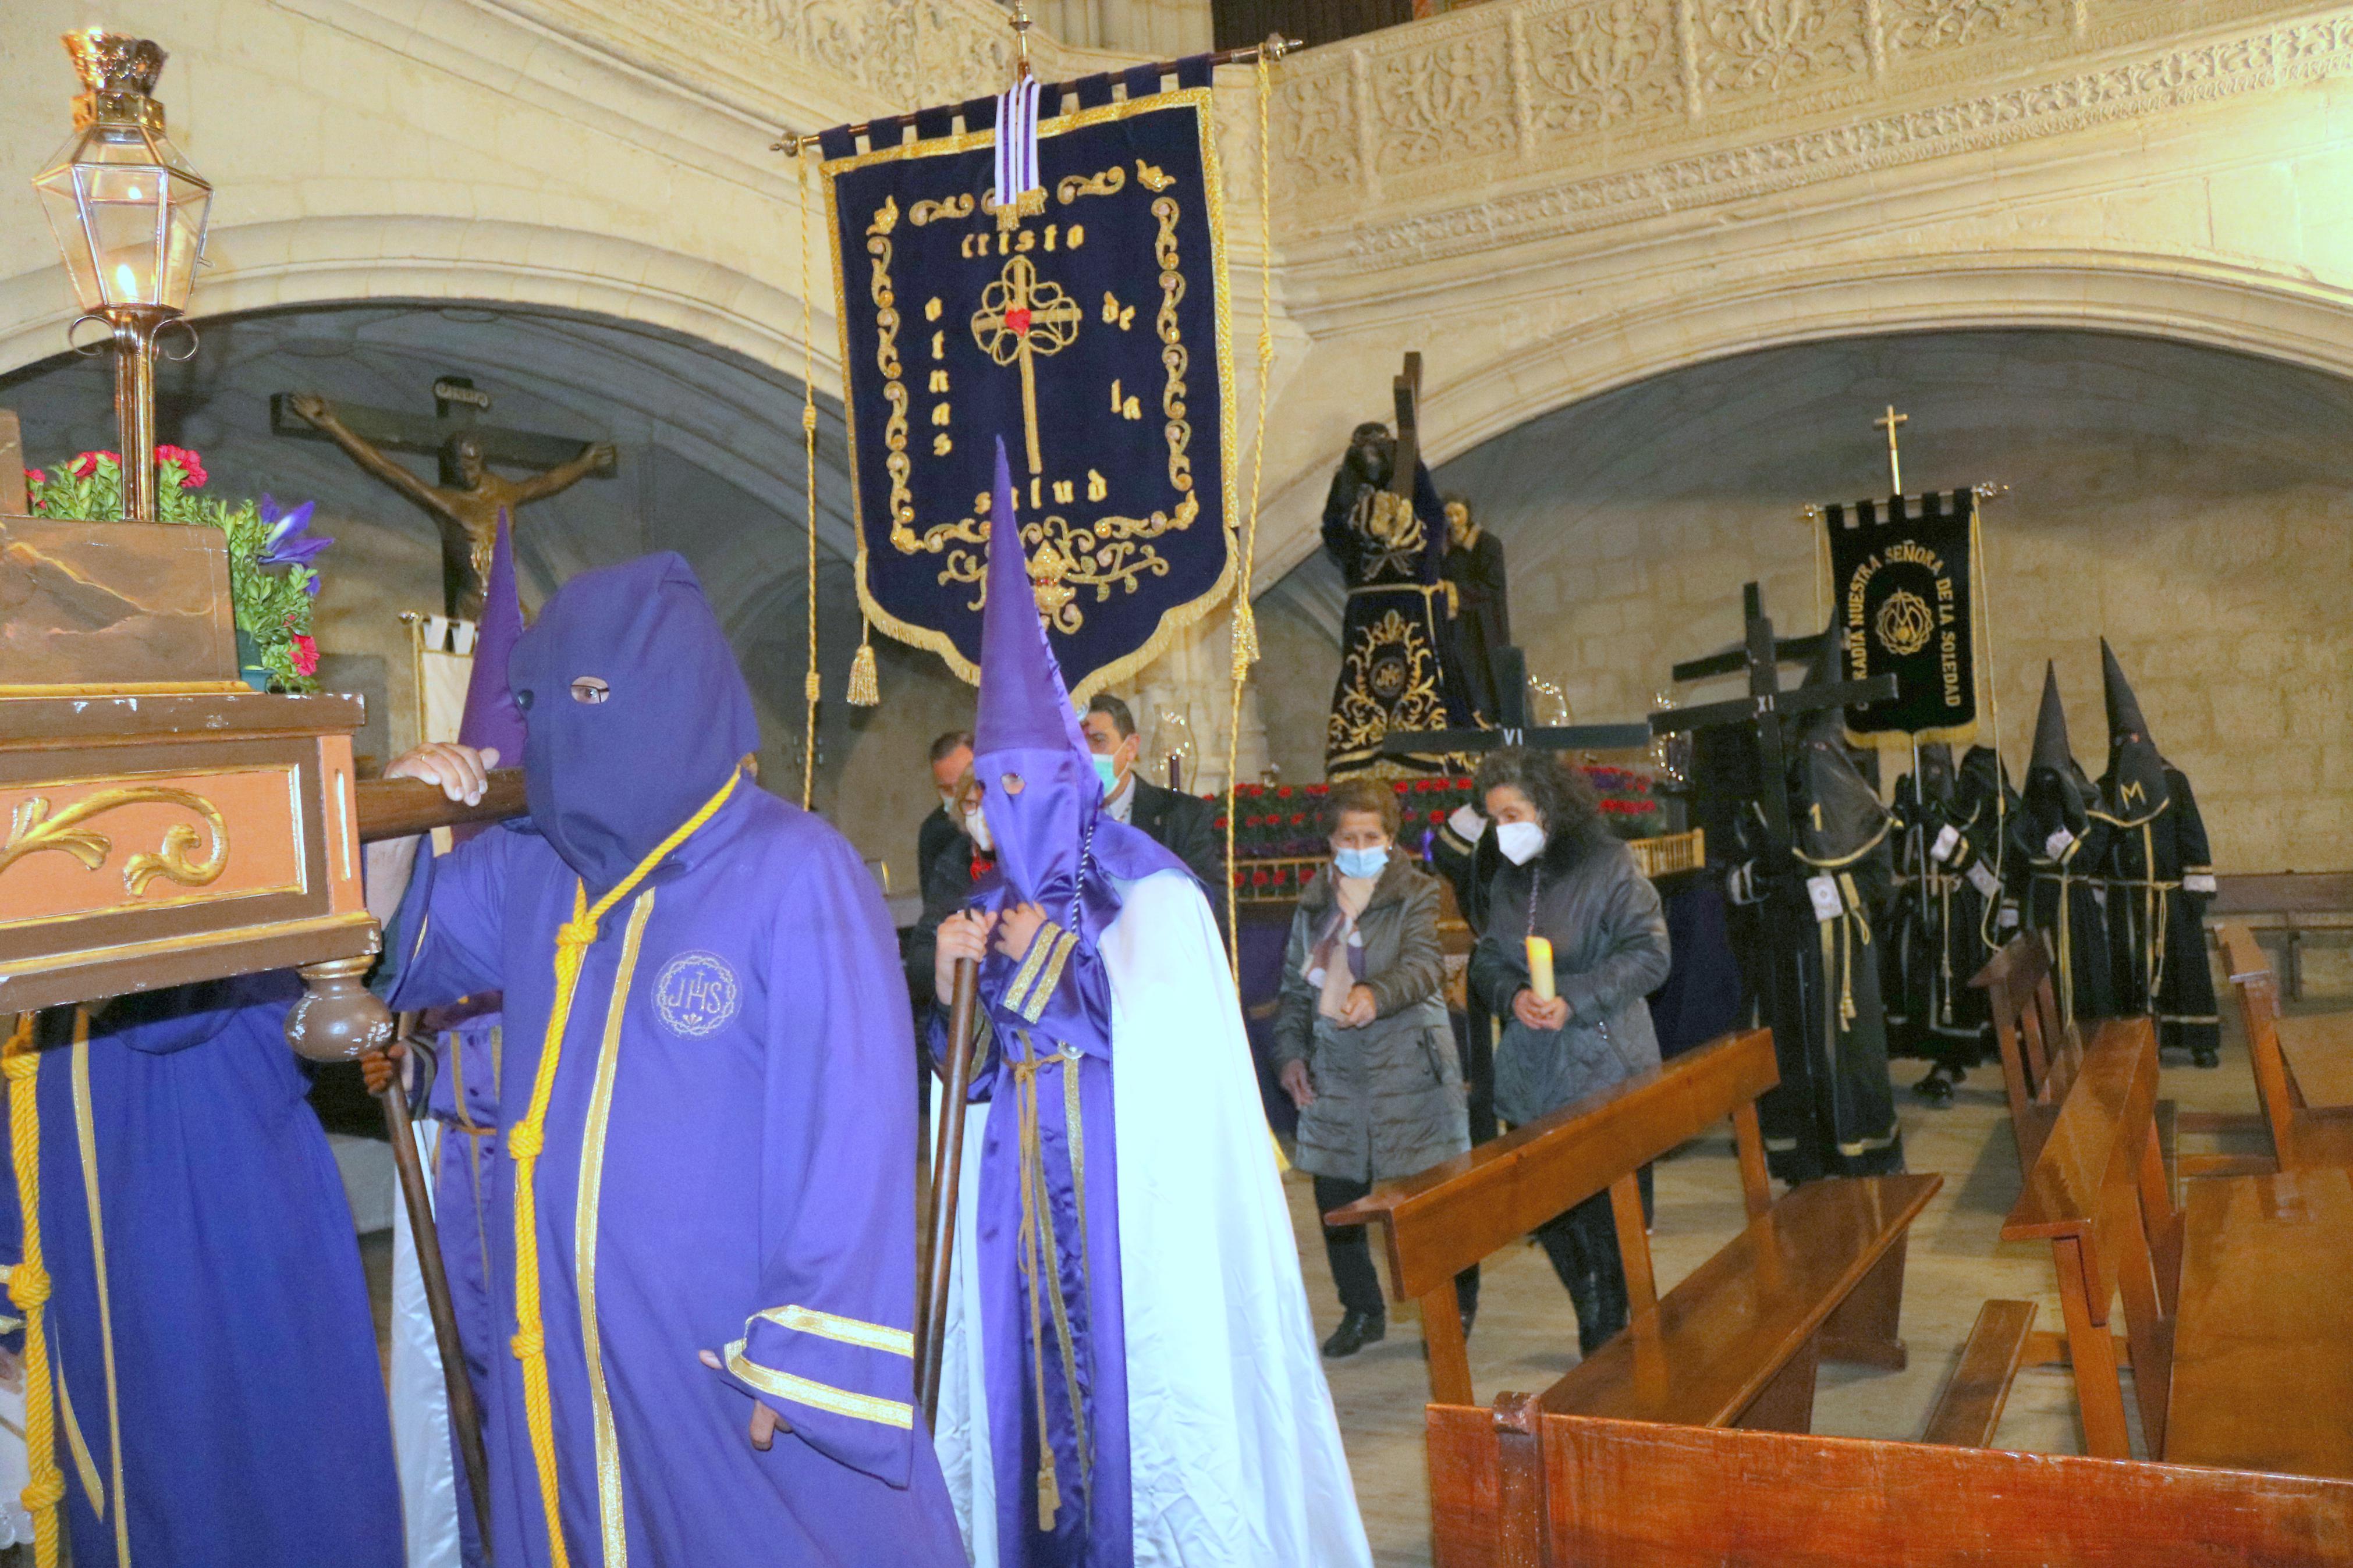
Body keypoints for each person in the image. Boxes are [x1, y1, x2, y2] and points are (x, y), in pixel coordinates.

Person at [375, 552, 964, 1568]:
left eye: (590, 695)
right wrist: (398, 810)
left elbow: (854, 1125)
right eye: (537, 702)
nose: (559, 728)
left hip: (720, 1358)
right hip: (565, 1348)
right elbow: (393, 956)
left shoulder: (792, 866)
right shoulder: (535, 869)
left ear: (676, 692)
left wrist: (806, 1352)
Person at [928, 441, 1371, 1567]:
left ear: (1070, 781)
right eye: (988, 790)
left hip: (1130, 1213)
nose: (1001, 810)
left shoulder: (1146, 886)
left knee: (1138, 1417)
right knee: (1026, 1417)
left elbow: (1171, 1050)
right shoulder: (988, 897)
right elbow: (967, 1080)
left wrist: (1044, 963)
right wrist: (951, 986)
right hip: (1014, 1210)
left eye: (1021, 785)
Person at [0, 980, 403, 1568]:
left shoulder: (225, 959)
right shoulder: (62, 987)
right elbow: (26, 1119)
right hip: (114, 1253)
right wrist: (9, 1293)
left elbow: (170, 1019)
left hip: (226, 1232)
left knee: (261, 1476)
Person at [1467, 747, 1670, 1357]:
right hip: (1533, 1070)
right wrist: (1513, 995)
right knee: (1548, 1210)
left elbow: (1650, 954)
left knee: (1608, 1215)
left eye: (1511, 815)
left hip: (1603, 1062)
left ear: (1548, 808)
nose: (1501, 831)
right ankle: (1591, 1302)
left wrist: (1572, 998)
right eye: (1493, 819)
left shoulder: (1608, 863)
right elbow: (1487, 958)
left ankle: (1608, 1328)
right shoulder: (1507, 875)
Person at [1271, 778, 1475, 1360]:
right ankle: (1362, 1309)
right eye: (1348, 837)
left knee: (1430, 1203)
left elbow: (1424, 965)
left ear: (1390, 839)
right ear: (1330, 842)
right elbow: (1294, 992)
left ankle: (1454, 1306)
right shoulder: (1313, 905)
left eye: (1370, 836)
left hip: (1408, 1067)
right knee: (1337, 1201)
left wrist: (1373, 994)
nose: (1359, 846)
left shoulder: (1417, 892)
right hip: (1336, 1071)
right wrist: (1289, 1057)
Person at [1320, 421, 1484, 777]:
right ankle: (1363, 751)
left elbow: (1434, 521)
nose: (1370, 452)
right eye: (1363, 445)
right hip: (1366, 602)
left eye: (1378, 445)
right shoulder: (1345, 481)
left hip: (1413, 600)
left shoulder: (1411, 472)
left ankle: (1426, 749)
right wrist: (1364, 527)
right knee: (1363, 673)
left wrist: (1406, 531)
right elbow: (1333, 530)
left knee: (1424, 665)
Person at [2092, 641, 2221, 1065]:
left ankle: (2199, 1040)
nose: (2129, 745)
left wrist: (2195, 890)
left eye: (2135, 738)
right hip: (2125, 902)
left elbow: (2192, 836)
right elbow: (2099, 846)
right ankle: (2138, 1041)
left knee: (2185, 970)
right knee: (2129, 970)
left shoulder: (2173, 782)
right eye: (2121, 740)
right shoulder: (2104, 789)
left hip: (2171, 899)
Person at [2010, 663, 2117, 1030]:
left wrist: (2063, 833)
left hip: (2076, 906)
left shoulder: (2092, 811)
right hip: (2039, 908)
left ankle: (2090, 1039)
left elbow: (2088, 858)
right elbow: (2017, 864)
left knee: (2083, 976)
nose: (2046, 787)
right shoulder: (2025, 816)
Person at [1080, 694, 1226, 913]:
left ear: (1131, 747)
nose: (1086, 754)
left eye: (1098, 741)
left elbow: (1214, 907)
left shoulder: (1182, 817)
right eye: (1077, 743)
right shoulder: (1058, 819)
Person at [1439, 496, 1510, 721]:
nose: (1454, 520)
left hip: (1482, 623)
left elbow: (1494, 585)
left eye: (1458, 514)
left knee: (1482, 673)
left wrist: (1454, 591)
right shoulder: (1442, 547)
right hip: (1452, 622)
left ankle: (1488, 717)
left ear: (1468, 514)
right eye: (1449, 515)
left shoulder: (1487, 544)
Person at [920, 728, 977, 894]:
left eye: (965, 783)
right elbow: (935, 904)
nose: (959, 796)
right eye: (947, 789)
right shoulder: (935, 831)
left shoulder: (1010, 816)